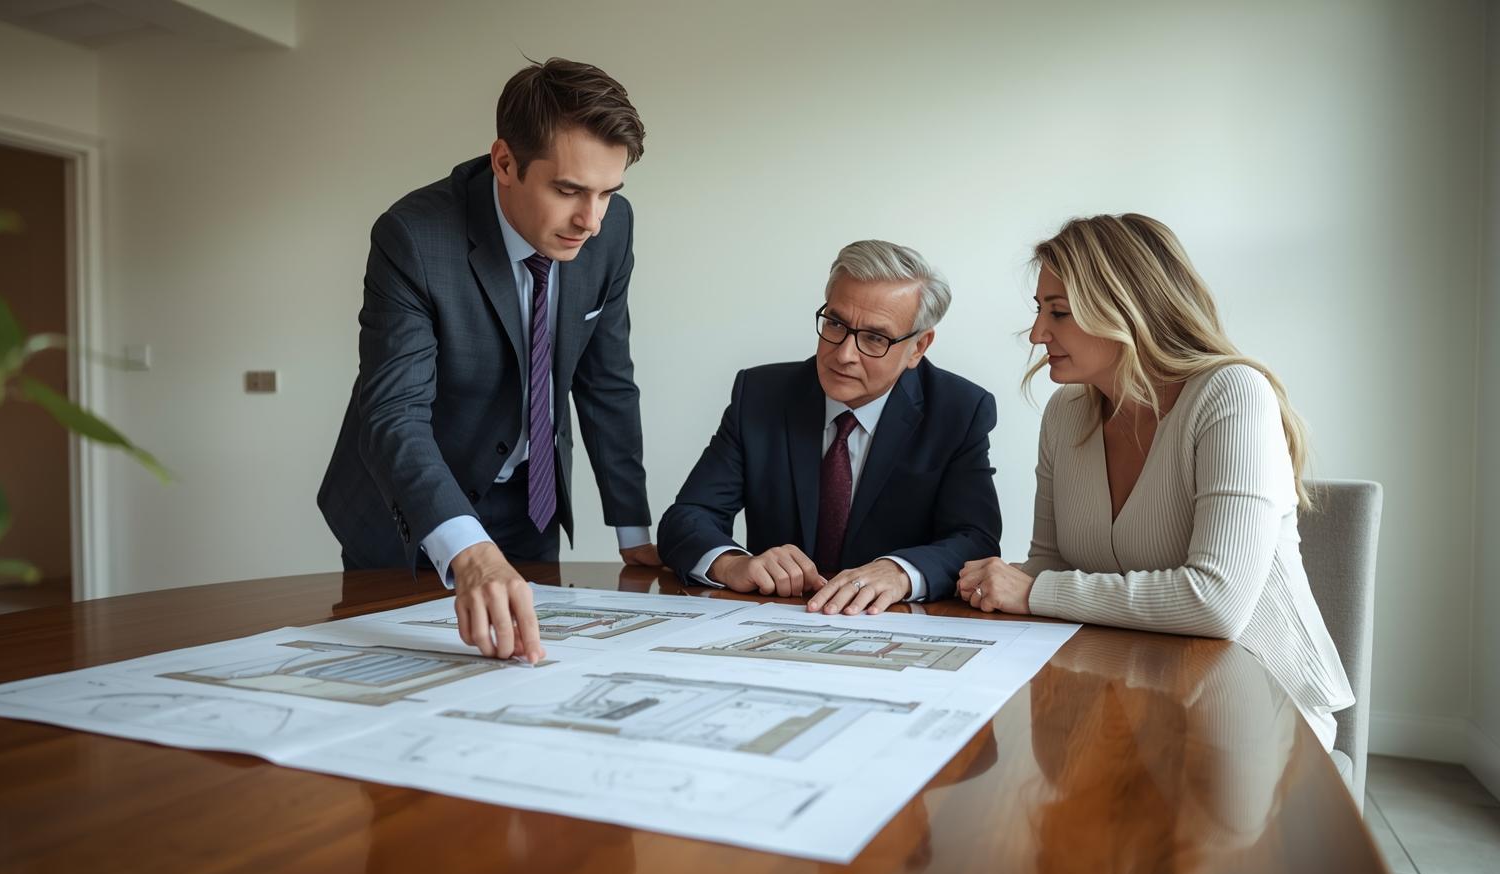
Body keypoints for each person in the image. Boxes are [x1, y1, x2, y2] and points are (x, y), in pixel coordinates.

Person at [956, 213, 1353, 749]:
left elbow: (1216, 603)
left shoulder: (1231, 395)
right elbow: (1050, 562)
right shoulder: (1065, 413)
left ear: (1126, 309)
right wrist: (997, 582)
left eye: (1060, 313)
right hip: (1131, 689)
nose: (1037, 334)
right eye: (1039, 310)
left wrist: (1034, 591)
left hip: (1256, 704)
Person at [318, 59, 659, 664]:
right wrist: (467, 549)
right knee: (394, 686)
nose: (591, 220)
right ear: (504, 162)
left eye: (609, 192)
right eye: (568, 190)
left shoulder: (611, 228)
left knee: (526, 676)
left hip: (533, 502)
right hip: (412, 512)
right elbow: (394, 413)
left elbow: (606, 378)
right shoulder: (414, 237)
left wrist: (633, 530)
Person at [659, 240, 1001, 614]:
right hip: (776, 619)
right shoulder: (761, 395)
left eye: (875, 338)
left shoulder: (958, 410)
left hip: (894, 625)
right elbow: (688, 517)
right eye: (836, 324)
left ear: (919, 346)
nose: (843, 354)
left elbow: (975, 539)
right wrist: (733, 564)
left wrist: (902, 571)